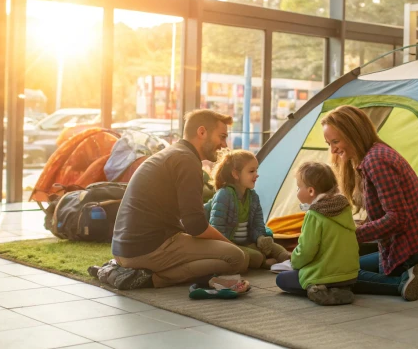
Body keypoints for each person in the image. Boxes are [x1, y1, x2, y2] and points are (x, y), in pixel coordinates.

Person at [110, 109, 249, 291]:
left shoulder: (174, 153)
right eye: (221, 137)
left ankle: (140, 271)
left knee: (224, 254)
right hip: (147, 250)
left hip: (125, 249)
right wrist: (229, 244)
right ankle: (154, 279)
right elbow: (196, 226)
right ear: (201, 132)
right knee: (237, 258)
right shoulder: (186, 160)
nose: (224, 144)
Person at [322, 105, 418, 301]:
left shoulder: (376, 161)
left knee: (337, 274)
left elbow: (398, 218)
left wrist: (351, 235)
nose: (333, 149)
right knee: (349, 263)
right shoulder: (373, 155)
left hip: (412, 247)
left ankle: (402, 281)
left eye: (336, 141)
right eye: (329, 143)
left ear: (354, 134)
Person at [275, 162, 359, 306]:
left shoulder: (314, 214)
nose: (297, 190)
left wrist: (294, 262)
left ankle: (320, 290)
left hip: (325, 274)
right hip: (350, 274)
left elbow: (307, 250)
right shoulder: (344, 208)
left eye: (298, 187)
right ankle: (339, 289)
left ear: (311, 191)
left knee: (282, 279)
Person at [206, 149, 291, 269]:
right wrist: (229, 247)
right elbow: (217, 229)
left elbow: (258, 225)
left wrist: (260, 238)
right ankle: (263, 263)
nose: (256, 174)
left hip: (248, 243)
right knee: (257, 257)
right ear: (235, 174)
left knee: (275, 247)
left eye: (256, 170)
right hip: (230, 244)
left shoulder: (253, 197)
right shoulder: (224, 195)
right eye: (251, 171)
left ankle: (287, 259)